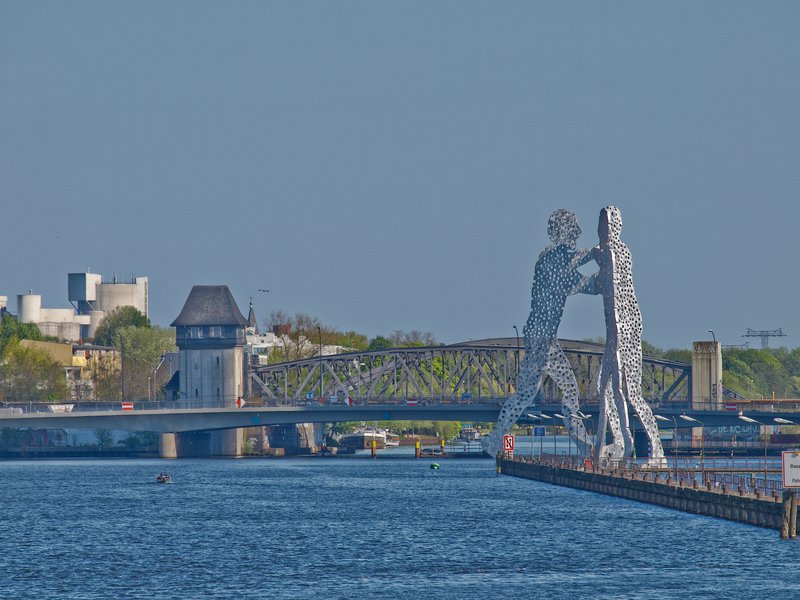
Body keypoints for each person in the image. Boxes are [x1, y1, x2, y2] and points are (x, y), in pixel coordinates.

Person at [483, 209, 596, 456]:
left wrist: (596, 262)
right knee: (566, 392)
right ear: (562, 231)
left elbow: (580, 274)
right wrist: (600, 254)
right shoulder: (553, 260)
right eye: (573, 227)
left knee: (527, 394)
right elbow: (583, 278)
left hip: (541, 335)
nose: (578, 232)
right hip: (542, 338)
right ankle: (586, 448)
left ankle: (494, 439)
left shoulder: (553, 259)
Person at [592, 206, 665, 466]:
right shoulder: (606, 255)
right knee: (604, 387)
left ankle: (656, 451)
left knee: (631, 392)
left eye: (606, 226)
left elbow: (611, 287)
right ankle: (618, 443)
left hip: (626, 329)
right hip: (615, 333)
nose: (602, 230)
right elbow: (598, 285)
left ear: (615, 228)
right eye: (601, 225)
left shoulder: (616, 253)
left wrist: (590, 260)